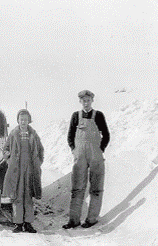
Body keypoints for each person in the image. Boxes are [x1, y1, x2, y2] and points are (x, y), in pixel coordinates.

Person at [63, 90, 110, 229]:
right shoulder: (76, 116)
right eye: (83, 100)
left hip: (95, 155)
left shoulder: (99, 115)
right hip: (80, 156)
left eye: (88, 100)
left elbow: (106, 135)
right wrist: (74, 149)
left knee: (96, 188)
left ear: (92, 101)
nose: (86, 102)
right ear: (80, 101)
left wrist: (100, 149)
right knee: (77, 187)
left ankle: (92, 219)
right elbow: (70, 135)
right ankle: (73, 220)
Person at [2, 109, 44, 233]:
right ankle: (18, 224)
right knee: (17, 196)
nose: (23, 122)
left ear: (29, 121)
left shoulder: (33, 134)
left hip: (30, 170)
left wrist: (38, 162)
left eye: (25, 119)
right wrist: (9, 159)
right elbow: (6, 149)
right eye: (21, 120)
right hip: (17, 170)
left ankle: (28, 223)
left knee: (28, 196)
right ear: (18, 121)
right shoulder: (13, 134)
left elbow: (41, 150)